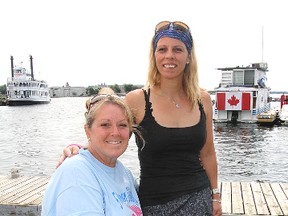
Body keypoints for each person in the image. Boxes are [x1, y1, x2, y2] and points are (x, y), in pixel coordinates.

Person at [57, 21, 222, 216]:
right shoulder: (137, 100)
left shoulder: (202, 100)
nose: (169, 55)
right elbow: (112, 133)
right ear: (154, 56)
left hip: (199, 198)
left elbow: (208, 153)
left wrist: (215, 196)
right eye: (162, 49)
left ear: (188, 57)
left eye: (177, 49)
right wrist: (79, 149)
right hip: (155, 204)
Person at [42, 90, 143, 215]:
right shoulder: (76, 173)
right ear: (88, 131)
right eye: (105, 124)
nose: (115, 132)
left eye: (122, 125)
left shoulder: (125, 174)